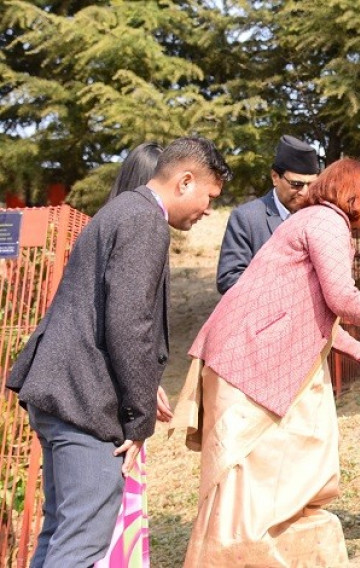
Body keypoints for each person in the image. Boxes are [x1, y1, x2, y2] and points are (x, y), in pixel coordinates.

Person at [174, 158, 360, 566]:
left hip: (258, 362)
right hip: (246, 362)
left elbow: (317, 315)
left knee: (290, 469)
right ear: (349, 192)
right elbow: (343, 301)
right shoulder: (326, 222)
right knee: (245, 487)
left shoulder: (318, 222)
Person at [5, 137, 231, 567]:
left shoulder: (120, 211)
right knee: (81, 543)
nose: (208, 210)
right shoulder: (145, 220)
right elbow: (129, 323)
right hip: (84, 401)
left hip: (60, 392)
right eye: (209, 196)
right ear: (185, 181)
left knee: (59, 534)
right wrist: (137, 419)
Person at [96, 141, 171, 568]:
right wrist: (139, 399)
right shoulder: (141, 227)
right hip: (108, 402)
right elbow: (128, 324)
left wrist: (150, 382)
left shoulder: (111, 226)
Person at [216, 134, 320, 293]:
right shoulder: (247, 218)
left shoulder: (317, 217)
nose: (305, 193)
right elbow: (228, 279)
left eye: (311, 185)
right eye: (297, 184)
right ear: (275, 177)